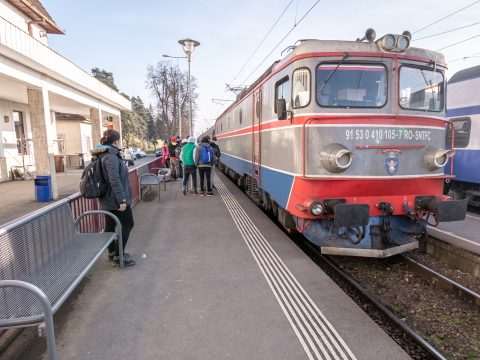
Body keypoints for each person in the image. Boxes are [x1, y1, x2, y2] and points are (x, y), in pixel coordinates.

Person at [91, 129, 135, 267]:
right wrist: (122, 200)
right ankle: (118, 256)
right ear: (115, 141)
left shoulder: (103, 155)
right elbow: (114, 180)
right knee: (128, 224)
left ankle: (112, 254)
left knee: (110, 226)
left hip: (108, 198)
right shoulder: (110, 157)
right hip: (115, 199)